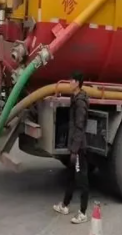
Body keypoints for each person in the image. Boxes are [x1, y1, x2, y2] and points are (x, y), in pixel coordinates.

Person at [53, 71, 90, 224]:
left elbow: (80, 127)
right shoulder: (74, 98)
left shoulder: (80, 102)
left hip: (79, 147)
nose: (69, 82)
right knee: (71, 176)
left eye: (71, 80)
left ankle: (83, 212)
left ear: (77, 82)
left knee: (82, 179)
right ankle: (65, 205)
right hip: (74, 146)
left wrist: (74, 149)